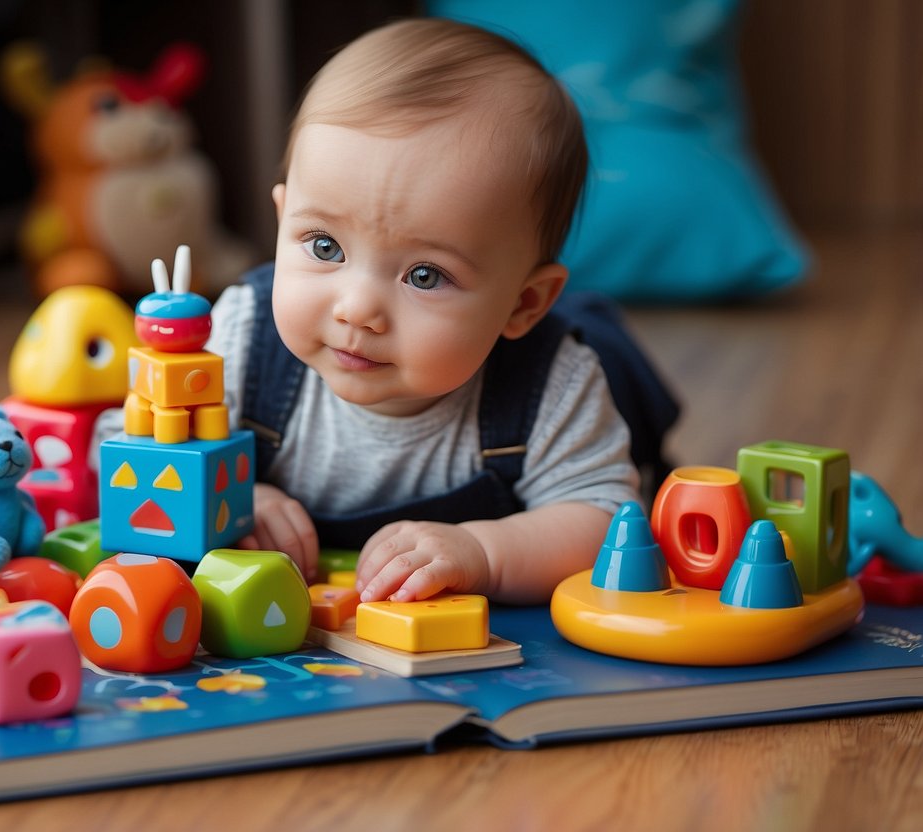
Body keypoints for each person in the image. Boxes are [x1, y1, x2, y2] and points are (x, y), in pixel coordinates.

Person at [205, 18, 676, 605]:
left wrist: (483, 552)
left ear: (524, 303)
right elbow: (129, 444)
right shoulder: (241, 336)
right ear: (282, 223)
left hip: (584, 391)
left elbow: (606, 522)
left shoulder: (548, 383)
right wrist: (235, 495)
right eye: (325, 247)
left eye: (424, 275)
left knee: (614, 374)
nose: (358, 310)